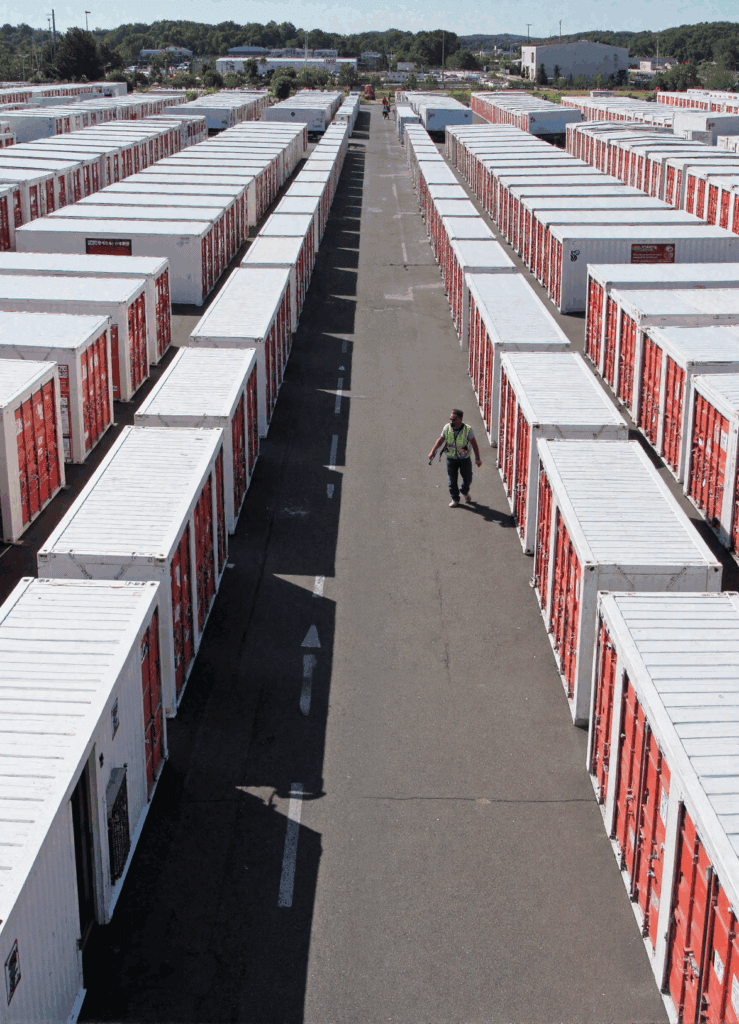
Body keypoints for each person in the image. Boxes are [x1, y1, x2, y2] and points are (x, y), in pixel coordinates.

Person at [428, 409, 482, 507]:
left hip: (464, 458)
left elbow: (474, 444)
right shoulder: (447, 428)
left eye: (454, 419)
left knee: (468, 478)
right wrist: (432, 451)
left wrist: (477, 458)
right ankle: (455, 499)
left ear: (461, 419)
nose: (452, 421)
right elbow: (440, 440)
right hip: (451, 458)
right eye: (451, 419)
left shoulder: (468, 429)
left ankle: (464, 491)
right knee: (452, 480)